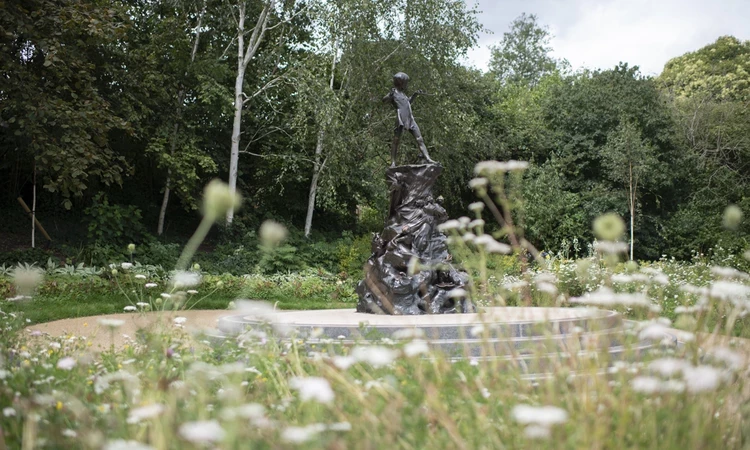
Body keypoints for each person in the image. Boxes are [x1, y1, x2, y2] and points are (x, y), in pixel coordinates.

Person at [382, 72, 435, 167]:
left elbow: (408, 103)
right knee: (396, 140)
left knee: (419, 139)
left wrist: (415, 95)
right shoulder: (394, 93)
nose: (407, 85)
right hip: (401, 118)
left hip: (410, 119)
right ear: (401, 83)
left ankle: (428, 158)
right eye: (406, 82)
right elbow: (384, 100)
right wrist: (389, 95)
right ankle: (393, 162)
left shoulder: (403, 94)